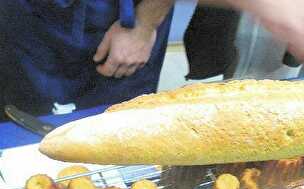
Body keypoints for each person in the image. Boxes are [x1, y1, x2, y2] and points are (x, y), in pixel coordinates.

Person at [0, 0, 174, 119]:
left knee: (115, 130)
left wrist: (145, 22)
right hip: (20, 17)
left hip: (119, 18)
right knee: (21, 127)